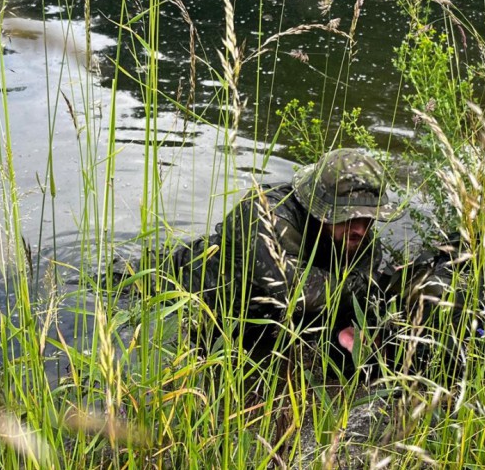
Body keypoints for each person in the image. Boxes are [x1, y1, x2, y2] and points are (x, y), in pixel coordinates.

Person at [169, 148, 401, 368]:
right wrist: (361, 289)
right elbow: (297, 291)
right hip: (174, 289)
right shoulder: (265, 213)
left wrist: (346, 325)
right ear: (319, 207)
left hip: (255, 322)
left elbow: (353, 293)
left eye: (368, 218)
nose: (360, 229)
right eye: (349, 217)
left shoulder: (361, 242)